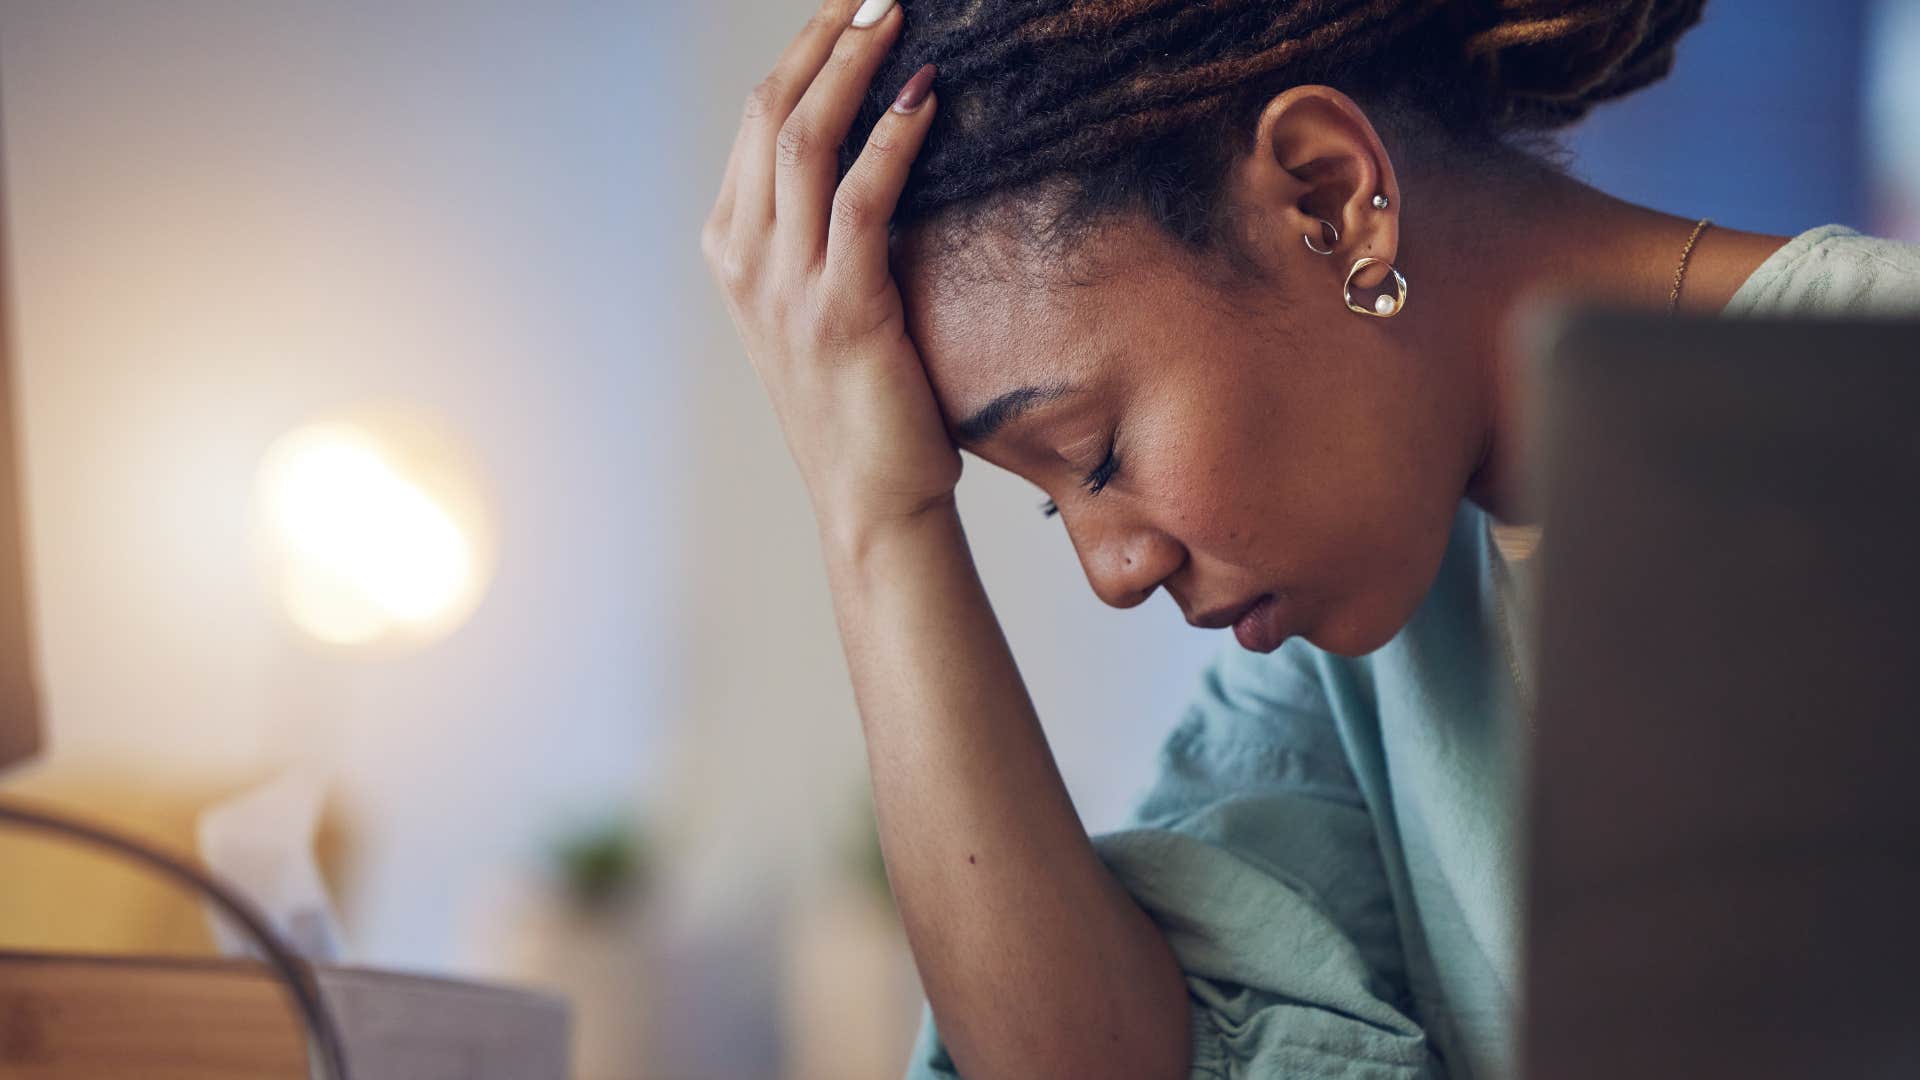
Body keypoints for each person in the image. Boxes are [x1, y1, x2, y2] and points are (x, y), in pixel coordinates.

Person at [700, 1, 1920, 1076]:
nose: (1113, 573)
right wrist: (876, 511)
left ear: (1331, 198)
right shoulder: (1366, 647)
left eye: (1097, 457)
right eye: (1044, 497)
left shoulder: (1879, 413)